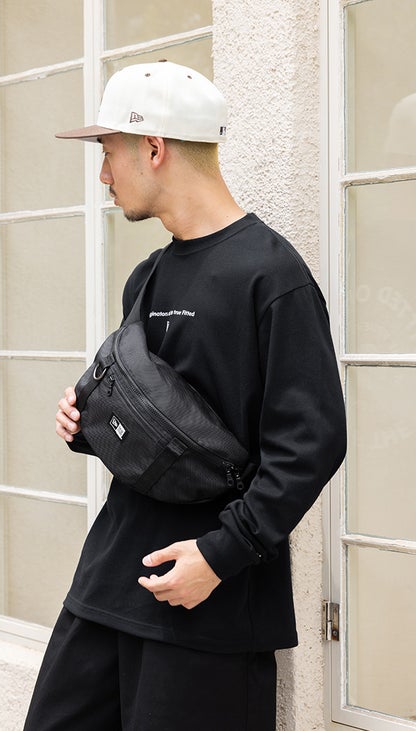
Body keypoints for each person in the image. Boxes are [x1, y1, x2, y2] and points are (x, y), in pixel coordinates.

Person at [23, 60, 346, 731]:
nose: (104, 175)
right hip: (107, 585)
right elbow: (163, 422)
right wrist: (91, 423)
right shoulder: (148, 275)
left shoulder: (271, 276)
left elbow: (311, 443)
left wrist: (219, 556)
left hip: (206, 606)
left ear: (153, 148)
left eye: (109, 152)